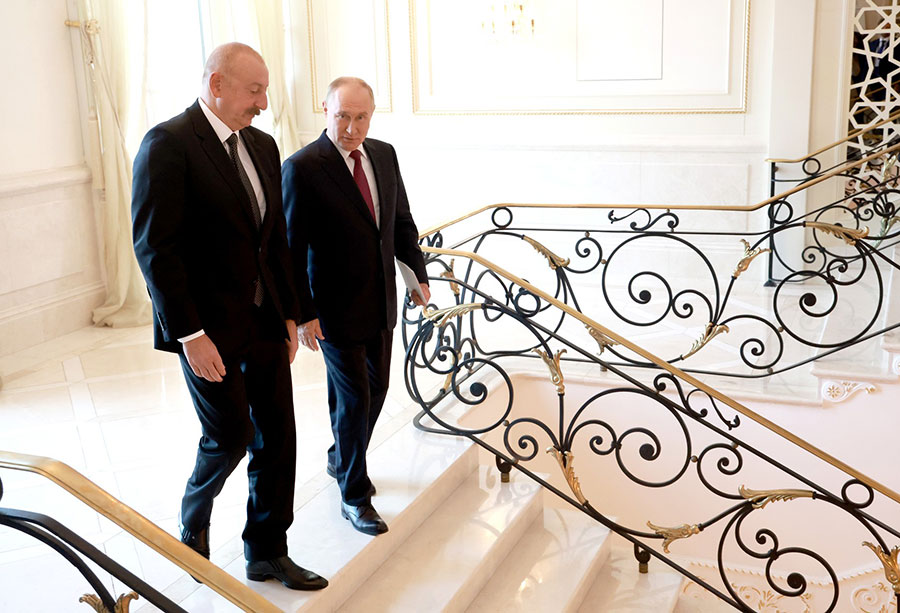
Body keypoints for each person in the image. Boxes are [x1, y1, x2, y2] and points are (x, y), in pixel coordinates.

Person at [131, 42, 327, 591]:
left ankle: (267, 551)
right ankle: (194, 513)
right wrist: (189, 334)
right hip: (206, 329)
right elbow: (155, 250)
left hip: (264, 321)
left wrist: (289, 314)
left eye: (264, 90)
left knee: (278, 437)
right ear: (217, 84)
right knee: (230, 435)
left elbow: (275, 240)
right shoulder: (168, 144)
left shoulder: (262, 145)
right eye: (254, 90)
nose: (263, 103)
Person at [282, 76, 430, 536]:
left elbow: (401, 221)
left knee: (378, 390)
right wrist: (302, 313)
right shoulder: (302, 167)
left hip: (380, 301)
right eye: (342, 116)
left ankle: (340, 457)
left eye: (360, 117)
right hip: (331, 309)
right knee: (353, 399)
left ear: (371, 115)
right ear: (325, 110)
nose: (351, 127)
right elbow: (290, 248)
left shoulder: (383, 155)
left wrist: (418, 275)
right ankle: (354, 494)